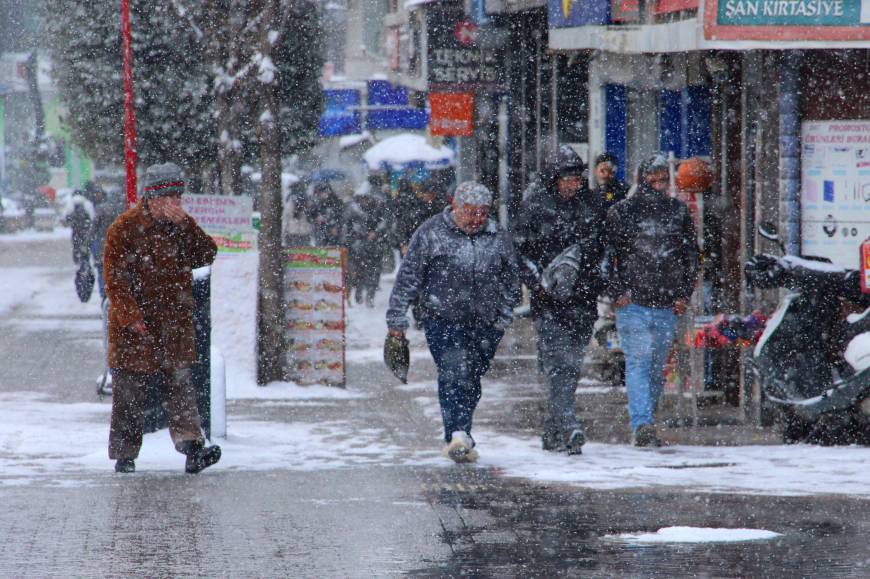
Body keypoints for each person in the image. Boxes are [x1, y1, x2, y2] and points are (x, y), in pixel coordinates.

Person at [386, 182, 519, 463]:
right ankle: (457, 433)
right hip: (442, 319)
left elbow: (511, 279)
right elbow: (408, 277)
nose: (476, 220)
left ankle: (462, 431)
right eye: (470, 213)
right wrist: (396, 319)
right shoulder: (432, 233)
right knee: (453, 371)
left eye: (482, 213)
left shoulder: (497, 235)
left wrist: (503, 317)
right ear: (455, 208)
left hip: (486, 322)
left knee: (472, 376)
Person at [104, 162, 221, 474]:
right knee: (130, 391)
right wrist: (130, 317)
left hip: (174, 323)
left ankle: (193, 449)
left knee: (181, 388)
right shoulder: (124, 228)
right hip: (136, 328)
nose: (175, 205)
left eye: (179, 198)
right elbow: (115, 280)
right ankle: (124, 455)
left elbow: (206, 254)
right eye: (169, 198)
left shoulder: (181, 227)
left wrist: (187, 226)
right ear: (152, 198)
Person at [515, 145, 606, 455]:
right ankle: (569, 425)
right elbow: (517, 252)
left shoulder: (593, 206)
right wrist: (537, 284)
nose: (572, 185)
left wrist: (599, 278)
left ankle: (553, 430)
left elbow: (604, 249)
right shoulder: (534, 208)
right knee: (559, 365)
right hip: (549, 304)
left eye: (576, 179)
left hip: (583, 300)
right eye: (566, 179)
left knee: (572, 367)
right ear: (553, 179)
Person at [606, 155, 699, 447]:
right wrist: (617, 291)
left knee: (654, 366)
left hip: (666, 303)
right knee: (639, 361)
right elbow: (607, 255)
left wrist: (683, 293)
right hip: (633, 302)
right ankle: (642, 423)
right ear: (641, 177)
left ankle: (646, 418)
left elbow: (691, 256)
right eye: (653, 176)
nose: (658, 183)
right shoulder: (623, 212)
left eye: (662, 177)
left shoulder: (678, 212)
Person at [342, 183, 388, 307]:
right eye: (362, 198)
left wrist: (376, 233)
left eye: (366, 198)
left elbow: (384, 224)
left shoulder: (378, 209)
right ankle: (359, 292)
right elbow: (348, 228)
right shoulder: (353, 210)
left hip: (375, 246)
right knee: (360, 272)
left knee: (374, 272)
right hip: (359, 247)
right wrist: (356, 237)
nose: (364, 201)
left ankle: (370, 296)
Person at [86, 182, 124, 300]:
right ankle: (116, 296)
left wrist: (86, 243)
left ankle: (104, 297)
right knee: (118, 273)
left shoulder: (101, 208)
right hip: (119, 247)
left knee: (102, 272)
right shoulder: (125, 210)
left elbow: (93, 229)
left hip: (102, 246)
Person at [394, 178, 447, 256]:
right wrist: (404, 243)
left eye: (430, 193)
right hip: (419, 245)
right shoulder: (415, 207)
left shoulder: (440, 207)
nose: (427, 196)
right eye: (425, 193)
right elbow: (402, 225)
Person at [62, 190, 94, 266]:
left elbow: (66, 216)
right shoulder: (86, 203)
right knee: (85, 245)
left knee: (76, 245)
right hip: (85, 229)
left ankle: (77, 260)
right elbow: (92, 216)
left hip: (75, 229)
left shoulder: (71, 204)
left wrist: (71, 222)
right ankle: (85, 259)